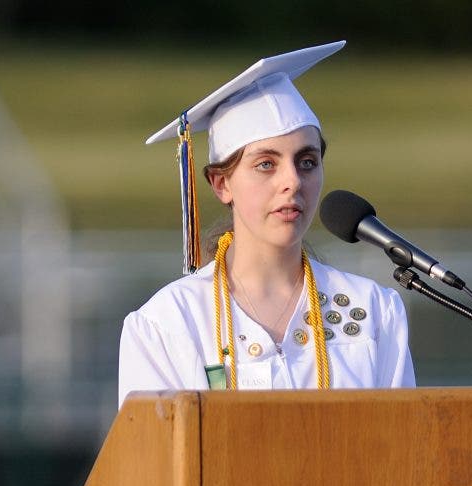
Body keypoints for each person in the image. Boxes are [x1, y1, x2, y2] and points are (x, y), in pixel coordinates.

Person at [118, 41, 415, 405]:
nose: (292, 181)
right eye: (266, 164)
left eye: (307, 161)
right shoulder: (169, 324)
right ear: (222, 183)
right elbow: (151, 459)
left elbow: (405, 452)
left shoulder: (372, 312)